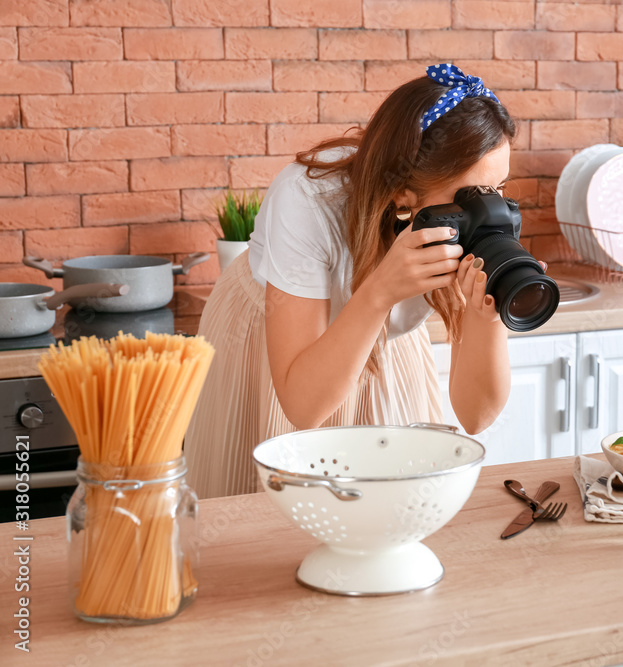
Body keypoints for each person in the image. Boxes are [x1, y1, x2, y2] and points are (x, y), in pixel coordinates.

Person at [185, 64, 517, 498]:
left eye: (500, 189)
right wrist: (380, 292)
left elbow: (476, 416)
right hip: (275, 348)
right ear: (403, 193)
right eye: (470, 197)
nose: (490, 211)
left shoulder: (468, 229)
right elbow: (302, 407)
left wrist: (488, 310)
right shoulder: (306, 198)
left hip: (383, 348)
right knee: (271, 527)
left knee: (389, 505)